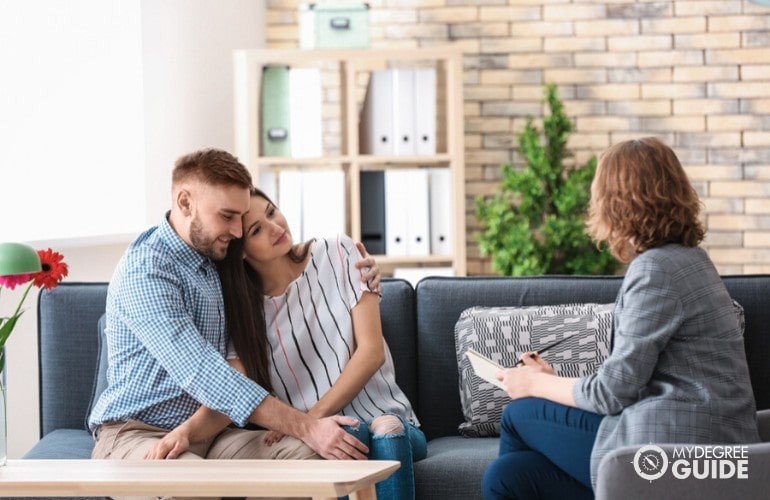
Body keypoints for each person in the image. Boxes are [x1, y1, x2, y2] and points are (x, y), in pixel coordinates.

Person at [482, 137, 760, 499]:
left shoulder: (656, 270)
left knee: (516, 415)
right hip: (698, 440)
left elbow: (612, 394)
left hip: (678, 450)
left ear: (616, 205)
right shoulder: (690, 260)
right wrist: (554, 381)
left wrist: (533, 384)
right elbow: (629, 378)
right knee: (507, 477)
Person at [88, 149, 384, 484]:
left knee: (314, 456)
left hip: (211, 432)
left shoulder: (218, 257)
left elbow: (284, 271)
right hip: (140, 433)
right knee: (191, 482)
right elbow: (206, 374)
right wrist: (308, 426)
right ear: (185, 203)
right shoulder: (147, 272)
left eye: (242, 218)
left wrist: (361, 273)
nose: (238, 230)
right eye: (227, 216)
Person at [147, 187, 427, 499]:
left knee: (386, 429)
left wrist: (309, 420)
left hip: (390, 419)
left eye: (272, 212)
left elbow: (371, 352)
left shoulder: (339, 252)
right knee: (344, 438)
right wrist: (186, 431)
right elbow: (232, 388)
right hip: (331, 433)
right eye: (257, 229)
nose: (276, 227)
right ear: (241, 251)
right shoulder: (243, 316)